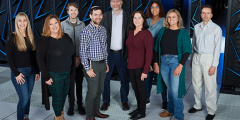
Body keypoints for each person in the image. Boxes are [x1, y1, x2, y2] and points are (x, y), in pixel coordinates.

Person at [153, 9, 192, 120]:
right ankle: (170, 110)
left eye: (174, 17)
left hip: (176, 62)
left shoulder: (183, 32)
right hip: (163, 62)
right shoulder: (162, 31)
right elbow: (156, 48)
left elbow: (187, 51)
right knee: (169, 88)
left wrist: (180, 66)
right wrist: (156, 63)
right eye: (169, 17)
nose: (171, 19)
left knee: (175, 91)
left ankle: (179, 116)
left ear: (178, 18)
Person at [36, 14, 75, 120]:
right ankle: (58, 116)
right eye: (50, 24)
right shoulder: (44, 40)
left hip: (67, 73)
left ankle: (60, 111)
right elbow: (39, 59)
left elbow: (71, 51)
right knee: (57, 97)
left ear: (59, 23)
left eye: (55, 22)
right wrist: (46, 76)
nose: (54, 26)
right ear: (47, 26)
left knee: (64, 95)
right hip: (54, 75)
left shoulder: (66, 36)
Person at [188, 5, 222, 120]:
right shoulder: (197, 27)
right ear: (200, 14)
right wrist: (192, 58)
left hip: (209, 58)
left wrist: (214, 65)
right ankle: (197, 105)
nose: (205, 15)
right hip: (197, 56)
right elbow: (194, 44)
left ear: (211, 15)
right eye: (203, 13)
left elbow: (217, 48)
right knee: (196, 83)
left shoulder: (216, 28)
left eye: (208, 13)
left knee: (210, 86)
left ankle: (211, 111)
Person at [6, 12, 40, 120]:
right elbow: (9, 58)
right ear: (16, 22)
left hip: (31, 72)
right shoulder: (12, 37)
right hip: (19, 73)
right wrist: (16, 74)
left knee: (28, 97)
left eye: (24, 20)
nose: (22, 23)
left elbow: (34, 56)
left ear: (27, 22)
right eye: (19, 20)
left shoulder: (30, 36)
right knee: (24, 99)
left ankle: (26, 117)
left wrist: (37, 71)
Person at [79, 6, 109, 120]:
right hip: (92, 65)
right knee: (92, 91)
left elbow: (104, 47)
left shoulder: (102, 29)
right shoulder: (86, 31)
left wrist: (106, 62)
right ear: (90, 16)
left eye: (100, 14)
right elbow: (82, 52)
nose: (98, 16)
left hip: (102, 64)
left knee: (99, 90)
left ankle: (96, 111)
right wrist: (87, 69)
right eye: (95, 14)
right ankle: (89, 115)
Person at [100, 0, 131, 111]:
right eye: (113, 1)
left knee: (124, 78)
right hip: (108, 53)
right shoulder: (105, 16)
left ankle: (124, 101)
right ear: (110, 2)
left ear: (122, 2)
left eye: (118, 1)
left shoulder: (128, 16)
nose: (115, 3)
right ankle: (106, 101)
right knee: (105, 78)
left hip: (123, 53)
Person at [126, 11, 153, 120]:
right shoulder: (131, 31)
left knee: (141, 89)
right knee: (135, 88)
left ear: (143, 20)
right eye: (134, 18)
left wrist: (145, 71)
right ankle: (139, 108)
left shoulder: (147, 34)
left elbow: (149, 54)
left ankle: (142, 112)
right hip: (131, 65)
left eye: (139, 18)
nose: (136, 20)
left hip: (141, 67)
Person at [61, 2, 86, 116]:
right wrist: (71, 59)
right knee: (70, 84)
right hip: (68, 61)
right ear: (67, 12)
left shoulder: (83, 25)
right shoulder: (63, 25)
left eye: (75, 10)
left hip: (80, 60)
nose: (73, 12)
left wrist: (80, 57)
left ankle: (80, 105)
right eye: (71, 10)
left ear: (78, 12)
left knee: (79, 83)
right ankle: (71, 105)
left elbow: (85, 43)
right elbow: (61, 43)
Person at [145, 0, 168, 108]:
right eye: (152, 7)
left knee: (161, 77)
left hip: (160, 52)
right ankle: (146, 98)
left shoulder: (164, 21)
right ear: (150, 9)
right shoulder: (146, 21)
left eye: (157, 7)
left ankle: (164, 100)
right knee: (148, 76)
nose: (154, 9)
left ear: (160, 9)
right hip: (148, 52)